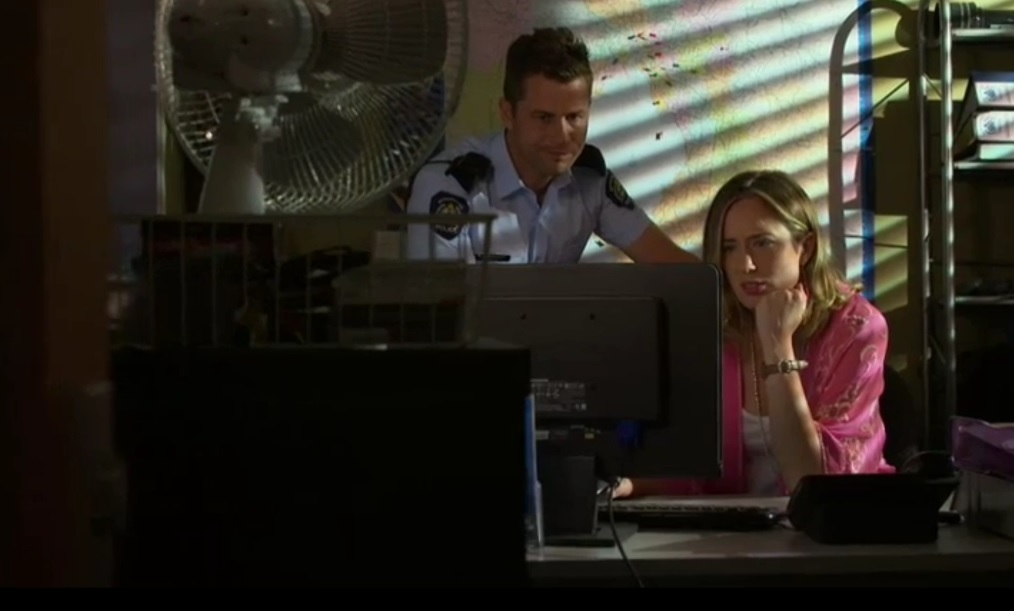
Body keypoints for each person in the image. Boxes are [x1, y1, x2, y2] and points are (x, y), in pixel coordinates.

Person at [613, 170, 895, 498]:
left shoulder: (856, 329)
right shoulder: (711, 324)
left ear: (805, 248)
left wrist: (778, 346)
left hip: (835, 521)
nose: (744, 265)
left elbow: (817, 485)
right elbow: (692, 468)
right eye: (729, 248)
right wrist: (627, 484)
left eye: (762, 243)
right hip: (730, 523)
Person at [403, 27, 695, 264]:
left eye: (574, 117)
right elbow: (435, 306)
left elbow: (676, 267)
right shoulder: (450, 185)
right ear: (508, 113)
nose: (562, 136)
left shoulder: (590, 181)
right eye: (544, 118)